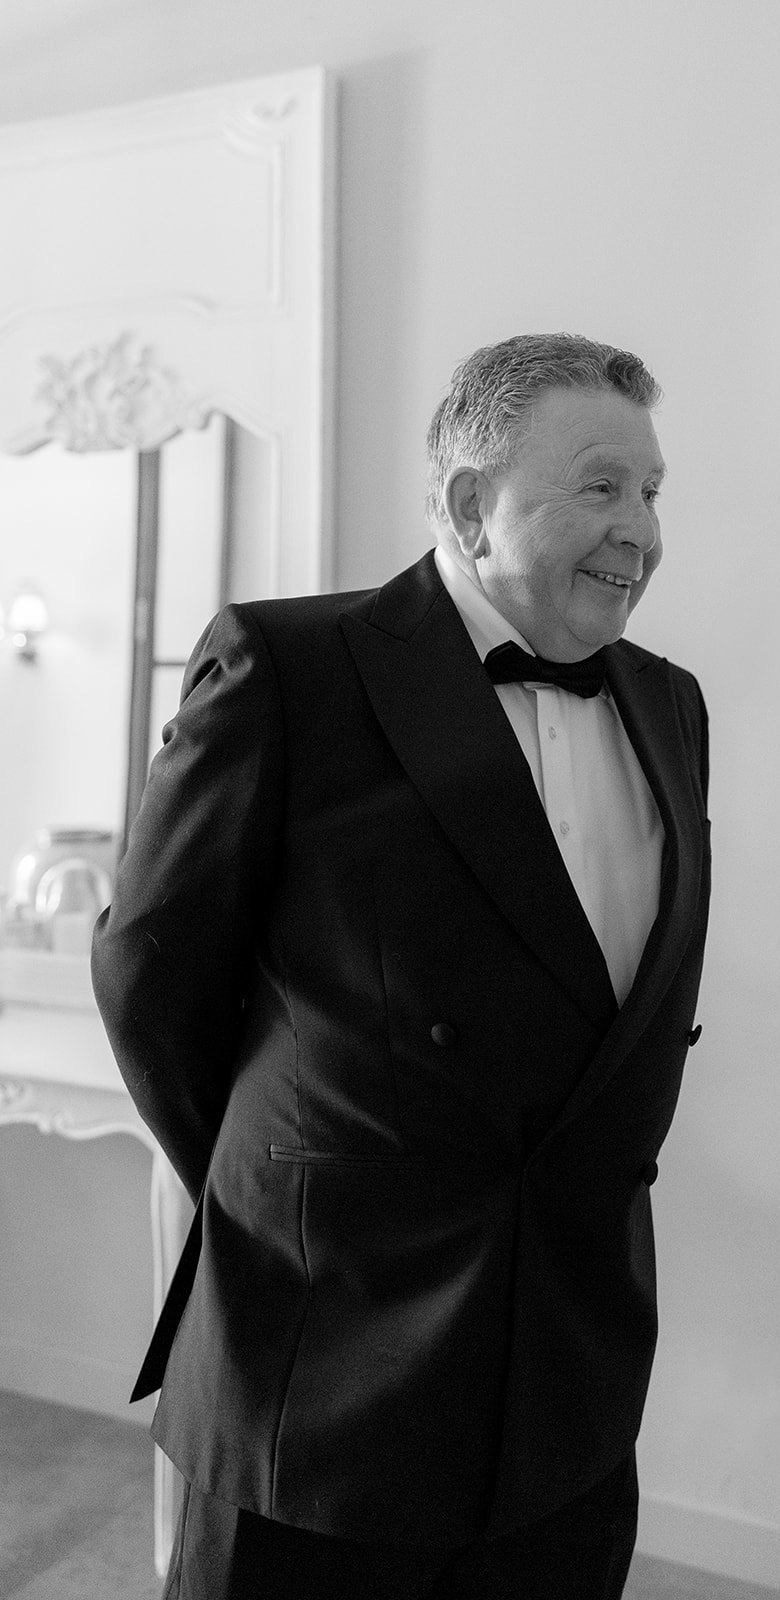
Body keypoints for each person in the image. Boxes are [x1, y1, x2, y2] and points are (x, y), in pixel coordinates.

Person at [92, 332, 711, 1600]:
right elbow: (152, 971)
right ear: (471, 503)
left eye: (651, 492)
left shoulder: (669, 701)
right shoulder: (287, 668)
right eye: (600, 486)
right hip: (321, 1363)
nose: (640, 531)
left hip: (571, 1366)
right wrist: (302, 1181)